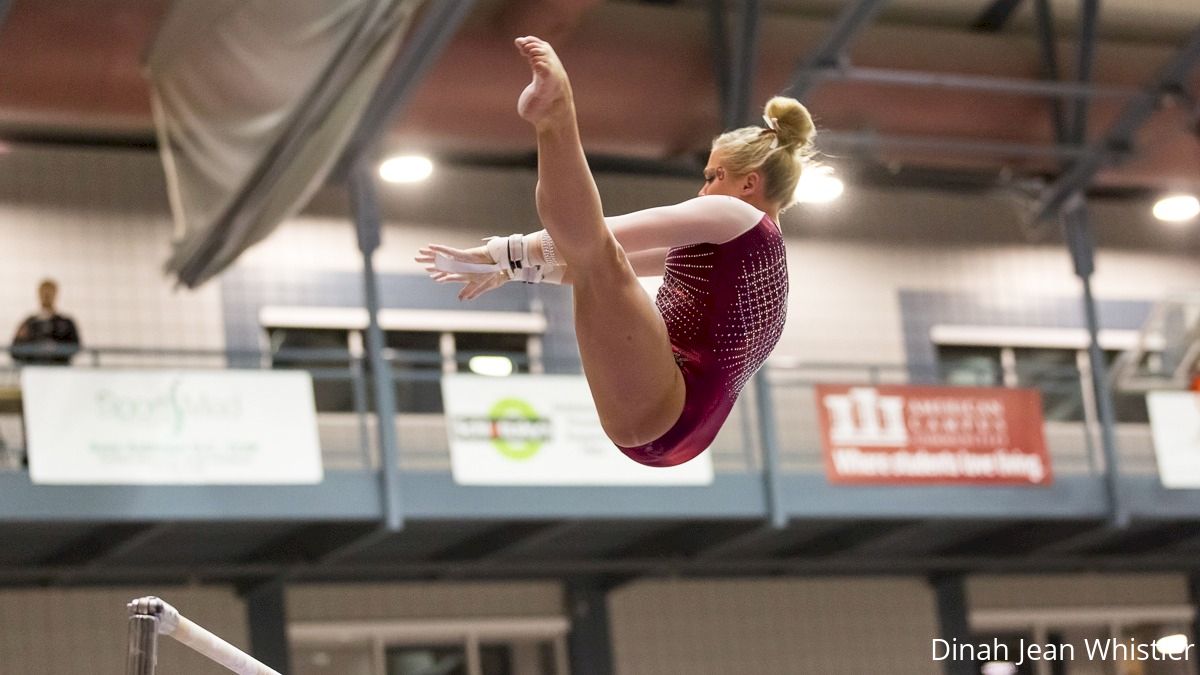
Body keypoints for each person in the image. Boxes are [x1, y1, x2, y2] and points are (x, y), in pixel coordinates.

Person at [417, 36, 813, 467]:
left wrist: (505, 252)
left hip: (673, 404)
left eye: (712, 175)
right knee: (598, 262)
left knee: (599, 256)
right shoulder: (746, 254)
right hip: (673, 431)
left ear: (749, 183)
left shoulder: (734, 216)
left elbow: (606, 239)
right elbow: (590, 264)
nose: (703, 189)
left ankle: (557, 113)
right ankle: (551, 119)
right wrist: (516, 268)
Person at [10, 278, 81, 366]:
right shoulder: (28, 323)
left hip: (60, 370)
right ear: (38, 294)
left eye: (50, 292)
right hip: (33, 370)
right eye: (43, 292)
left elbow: (76, 346)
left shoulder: (66, 323)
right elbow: (15, 351)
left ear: (55, 294)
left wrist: (56, 349)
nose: (46, 296)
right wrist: (35, 349)